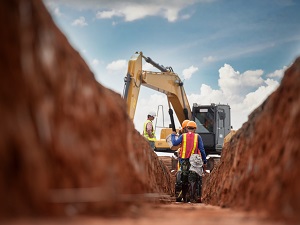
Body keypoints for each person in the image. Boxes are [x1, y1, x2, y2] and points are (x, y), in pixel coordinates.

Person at [171, 121, 207, 202]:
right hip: (194, 161)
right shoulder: (198, 137)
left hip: (184, 161)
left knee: (184, 179)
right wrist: (204, 161)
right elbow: (202, 149)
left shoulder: (183, 136)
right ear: (195, 129)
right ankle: (192, 197)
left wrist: (173, 135)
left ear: (187, 128)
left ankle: (184, 198)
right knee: (193, 179)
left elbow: (174, 143)